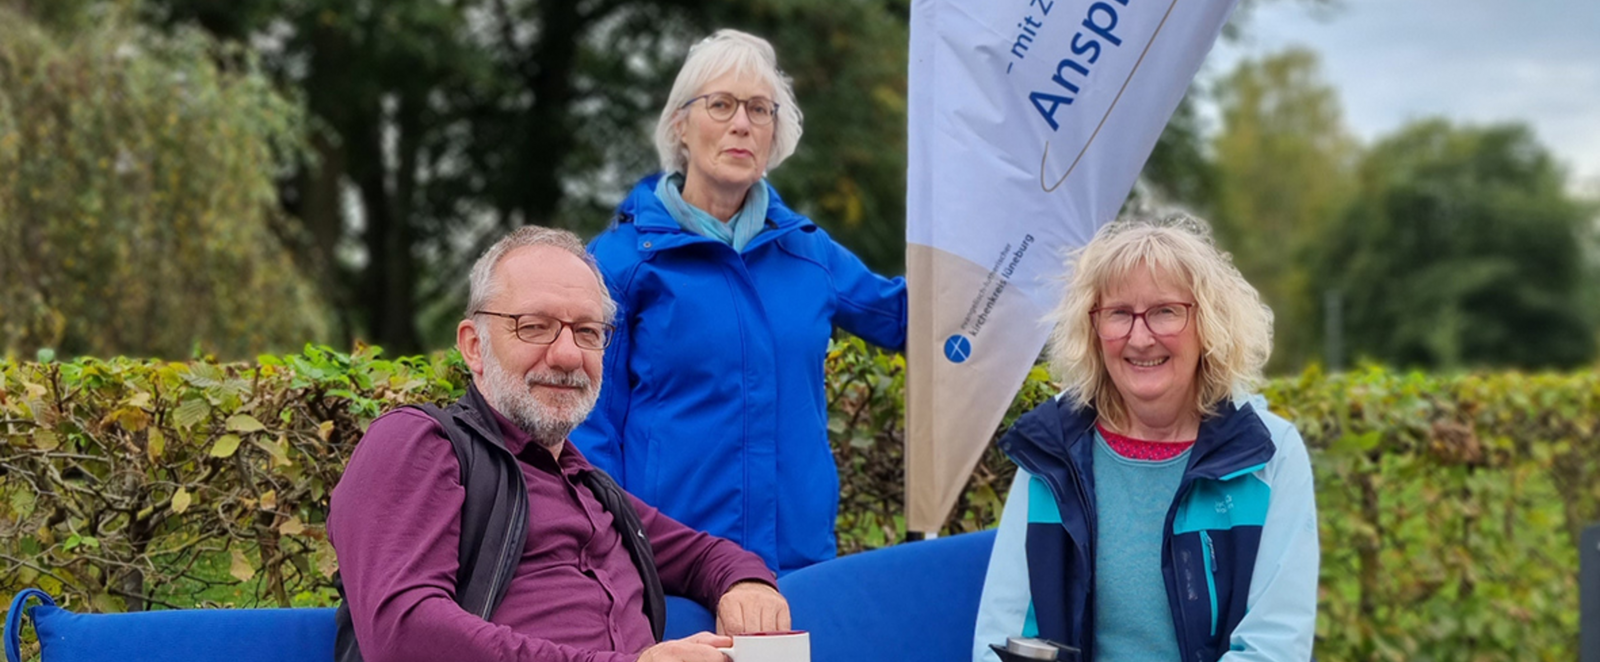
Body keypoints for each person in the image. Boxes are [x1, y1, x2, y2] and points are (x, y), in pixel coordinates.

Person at [329, 226, 789, 662]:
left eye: (588, 332)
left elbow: (705, 554)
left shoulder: (589, 489)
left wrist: (746, 583)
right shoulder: (420, 443)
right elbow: (402, 634)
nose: (569, 355)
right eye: (534, 326)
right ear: (473, 346)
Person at [574, 29, 908, 574]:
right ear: (680, 124)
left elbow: (910, 321)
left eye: (759, 109)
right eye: (722, 104)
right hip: (675, 567)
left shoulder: (808, 252)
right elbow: (589, 426)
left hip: (797, 563)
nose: (741, 123)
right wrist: (615, 549)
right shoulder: (620, 262)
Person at [972, 217, 1319, 662]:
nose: (1140, 337)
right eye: (1118, 314)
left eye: (1165, 311)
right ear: (1093, 332)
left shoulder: (1270, 455)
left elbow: (1274, 648)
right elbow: (1001, 639)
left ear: (1209, 324)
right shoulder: (1053, 452)